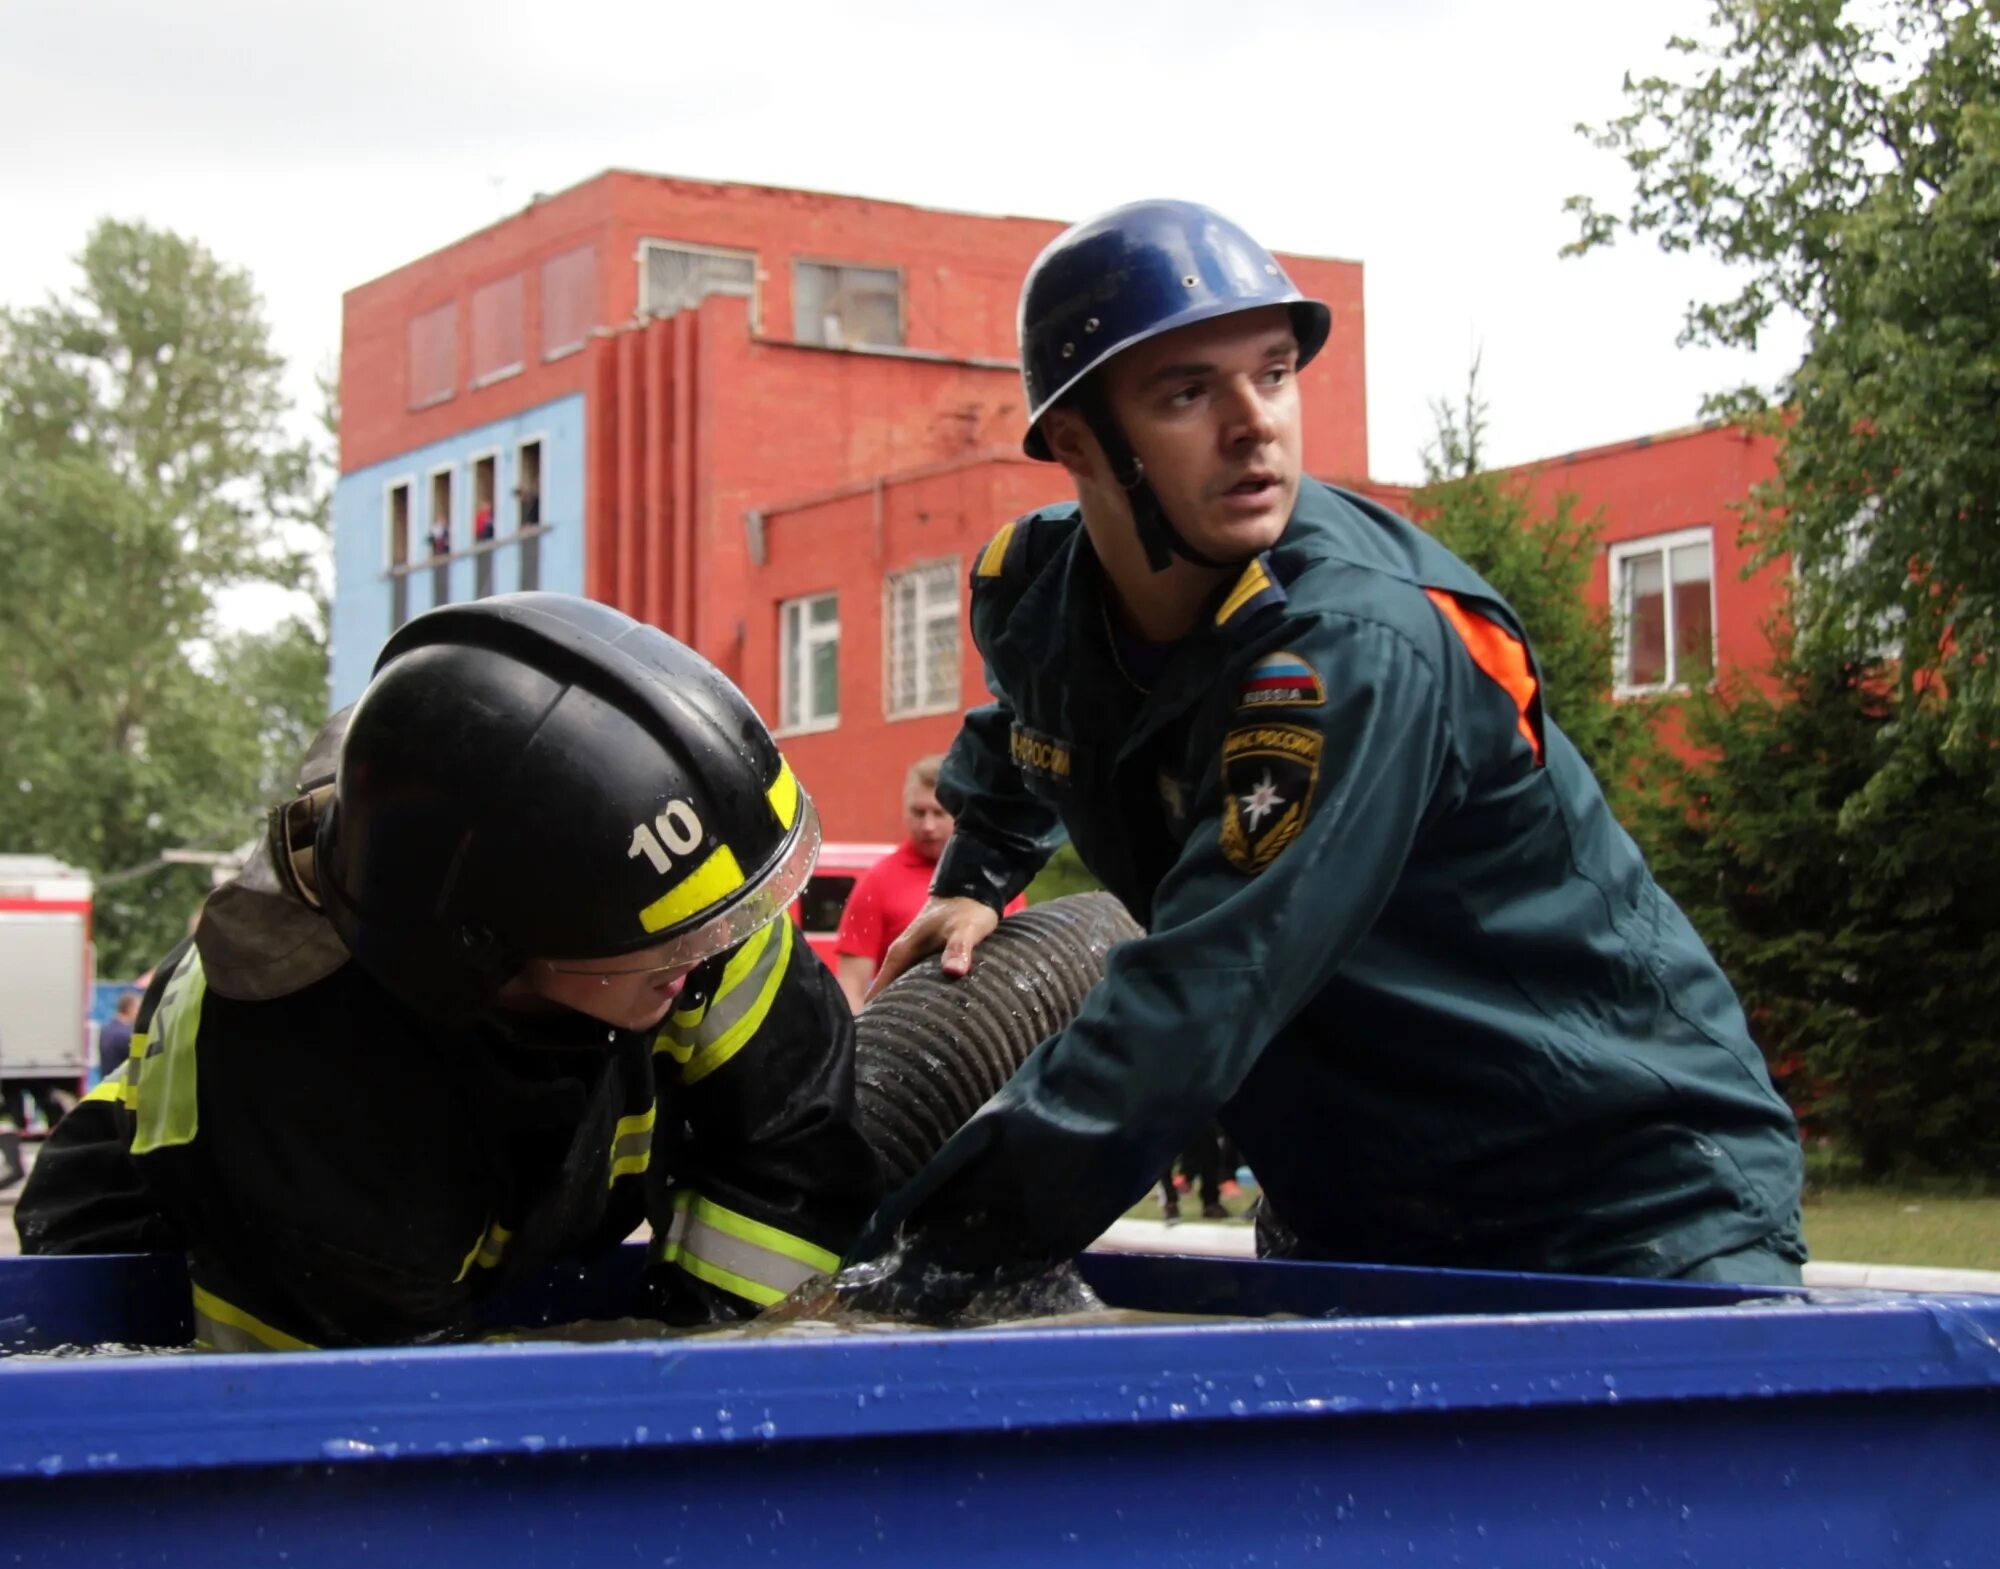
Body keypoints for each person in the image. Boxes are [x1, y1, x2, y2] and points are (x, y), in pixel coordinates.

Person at [853, 200, 1806, 1308]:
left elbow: (1199, 999)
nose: (1253, 424)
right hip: (1366, 1211)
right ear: (1075, 441)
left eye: (1271, 373)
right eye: (1186, 392)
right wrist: (974, 879)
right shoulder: (1041, 592)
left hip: (1616, 1205)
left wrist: (915, 1264)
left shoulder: (1343, 645)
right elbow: (1029, 720)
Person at [18, 594, 885, 1350]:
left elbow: (793, 1159)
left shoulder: (694, 898)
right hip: (174, 1264)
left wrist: (711, 1371)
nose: (713, 954)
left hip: (489, 1233)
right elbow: (370, 1425)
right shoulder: (309, 1075)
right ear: (485, 942)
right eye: (670, 946)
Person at [832, 755, 956, 1012]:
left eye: (939, 813)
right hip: (903, 1032)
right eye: (918, 812)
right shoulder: (877, 883)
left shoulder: (991, 879)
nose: (928, 826)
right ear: (904, 809)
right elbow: (851, 986)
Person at [97, 990, 140, 1080]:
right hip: (119, 1088)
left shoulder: (107, 1030)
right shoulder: (126, 1035)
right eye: (138, 1008)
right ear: (130, 1009)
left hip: (106, 1086)